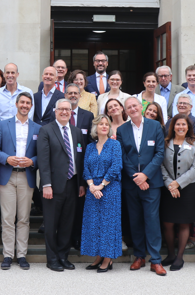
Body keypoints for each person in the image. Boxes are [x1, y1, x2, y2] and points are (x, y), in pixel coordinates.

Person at [117, 97, 167, 276]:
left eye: (134, 106)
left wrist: (145, 175)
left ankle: (156, 260)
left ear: (141, 107)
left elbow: (160, 153)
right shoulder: (122, 130)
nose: (132, 109)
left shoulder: (155, 126)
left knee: (152, 220)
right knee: (135, 220)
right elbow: (123, 156)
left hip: (152, 183)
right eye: (128, 107)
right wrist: (136, 177)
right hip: (131, 184)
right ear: (126, 111)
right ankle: (139, 256)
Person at [0, 92, 40, 270]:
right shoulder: (3, 125)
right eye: (22, 102)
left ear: (31, 106)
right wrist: (6, 158)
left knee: (24, 218)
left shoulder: (37, 128)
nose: (25, 105)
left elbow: (42, 153)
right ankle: (7, 255)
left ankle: (21, 254)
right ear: (16, 104)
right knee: (7, 218)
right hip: (7, 175)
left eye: (28, 103)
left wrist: (33, 161)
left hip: (26, 175)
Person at [37, 99, 85, 272]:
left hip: (73, 184)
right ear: (55, 111)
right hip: (53, 185)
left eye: (68, 109)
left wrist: (81, 183)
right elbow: (43, 160)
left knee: (67, 223)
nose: (65, 112)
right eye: (61, 109)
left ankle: (63, 256)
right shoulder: (46, 130)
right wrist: (46, 184)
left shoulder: (77, 132)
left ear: (71, 112)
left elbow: (79, 158)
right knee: (51, 224)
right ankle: (52, 258)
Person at [81, 114, 122, 273]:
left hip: (110, 189)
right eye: (101, 124)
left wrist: (101, 185)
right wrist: (92, 186)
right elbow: (85, 167)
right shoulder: (90, 147)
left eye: (106, 124)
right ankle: (98, 256)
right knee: (94, 223)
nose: (104, 126)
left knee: (108, 223)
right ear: (95, 127)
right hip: (93, 189)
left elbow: (116, 166)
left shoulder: (115, 145)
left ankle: (107, 258)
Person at [159, 114, 195, 271]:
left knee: (184, 222)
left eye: (184, 124)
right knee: (168, 222)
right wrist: (170, 184)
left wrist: (178, 183)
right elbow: (161, 165)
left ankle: (179, 257)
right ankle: (170, 254)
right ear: (173, 127)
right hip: (168, 188)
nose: (181, 127)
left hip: (188, 188)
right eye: (178, 124)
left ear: (188, 127)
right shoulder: (165, 143)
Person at [65, 83, 94, 249]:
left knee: (79, 206)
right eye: (70, 93)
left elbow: (90, 142)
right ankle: (65, 239)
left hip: (81, 168)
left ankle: (77, 238)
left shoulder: (87, 116)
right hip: (63, 168)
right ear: (65, 94)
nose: (73, 95)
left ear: (80, 95)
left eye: (76, 93)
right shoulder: (60, 114)